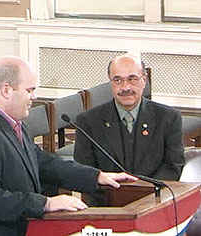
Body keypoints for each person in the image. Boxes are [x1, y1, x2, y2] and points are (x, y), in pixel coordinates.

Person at [0, 56, 137, 236]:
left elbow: (40, 161)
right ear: (6, 90)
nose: (34, 97)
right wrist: (45, 204)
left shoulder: (9, 121)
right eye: (29, 90)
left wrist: (96, 176)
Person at [74, 53, 184, 188]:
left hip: (154, 198)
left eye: (132, 79)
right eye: (118, 80)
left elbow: (173, 166)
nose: (125, 87)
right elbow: (86, 171)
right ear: (110, 82)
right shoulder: (88, 121)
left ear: (144, 80)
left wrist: (144, 192)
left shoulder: (168, 118)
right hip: (107, 201)